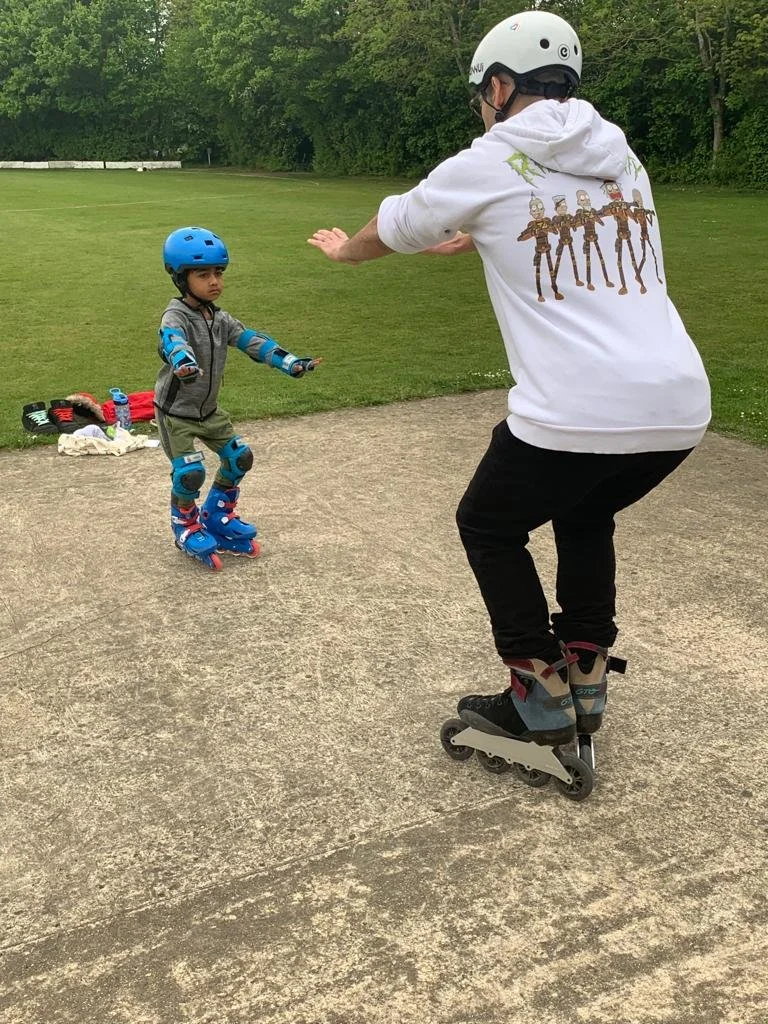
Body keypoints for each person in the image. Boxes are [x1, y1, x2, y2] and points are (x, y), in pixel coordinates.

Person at [308, 11, 710, 767]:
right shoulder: (621, 159)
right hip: (679, 404)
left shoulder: (489, 156)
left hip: (578, 404)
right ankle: (586, 675)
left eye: (481, 95)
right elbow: (568, 224)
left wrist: (346, 256)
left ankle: (537, 692)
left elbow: (389, 227)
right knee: (586, 513)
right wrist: (482, 233)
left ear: (500, 85)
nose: (482, 108)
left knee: (488, 525)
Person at [156, 226, 320, 571]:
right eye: (203, 274)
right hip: (177, 413)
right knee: (190, 474)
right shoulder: (176, 316)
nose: (214, 281)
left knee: (240, 458)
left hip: (209, 411)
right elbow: (172, 340)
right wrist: (182, 361)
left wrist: (289, 362)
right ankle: (184, 524)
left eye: (219, 272)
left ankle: (217, 514)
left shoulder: (220, 318)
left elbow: (251, 341)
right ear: (181, 279)